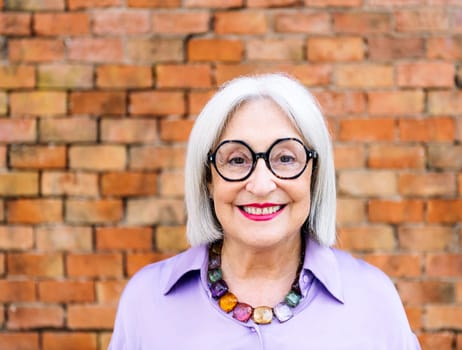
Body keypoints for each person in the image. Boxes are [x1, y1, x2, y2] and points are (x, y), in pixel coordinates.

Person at [108, 73, 421, 349]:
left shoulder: (373, 299)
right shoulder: (146, 301)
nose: (260, 184)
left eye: (285, 158)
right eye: (237, 159)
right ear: (208, 179)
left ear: (314, 174)